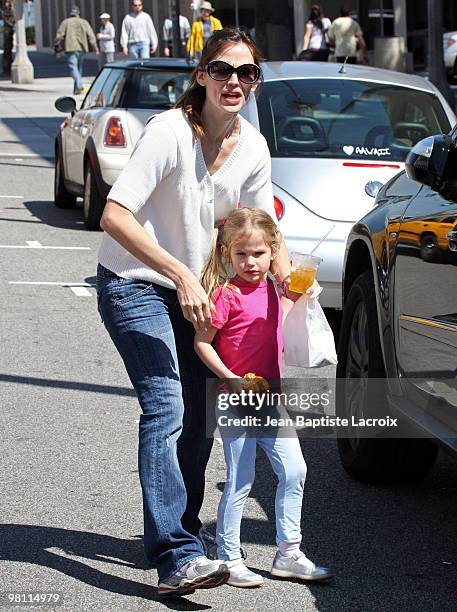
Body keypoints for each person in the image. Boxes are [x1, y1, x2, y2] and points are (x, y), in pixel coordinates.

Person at [96, 26, 294, 597]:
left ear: (255, 83)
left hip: (198, 293)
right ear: (202, 74)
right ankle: (177, 555)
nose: (235, 82)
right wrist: (181, 272)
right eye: (223, 70)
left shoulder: (253, 146)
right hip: (134, 282)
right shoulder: (169, 132)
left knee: (198, 415)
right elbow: (115, 215)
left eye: (247, 73)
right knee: (166, 405)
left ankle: (178, 538)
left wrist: (288, 279)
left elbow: (256, 230)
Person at [194, 207, 332, 588]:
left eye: (258, 253)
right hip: (235, 397)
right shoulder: (225, 295)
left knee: (295, 470)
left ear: (274, 252)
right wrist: (230, 378)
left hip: (270, 399)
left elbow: (286, 318)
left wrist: (303, 295)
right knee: (241, 479)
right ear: (227, 254)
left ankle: (288, 552)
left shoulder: (274, 290)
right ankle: (229, 555)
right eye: (242, 254)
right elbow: (201, 343)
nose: (250, 262)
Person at [53, 5, 98, 95]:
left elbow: (59, 35)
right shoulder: (84, 22)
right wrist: (95, 48)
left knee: (72, 67)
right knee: (78, 68)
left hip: (71, 48)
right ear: (78, 13)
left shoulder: (65, 22)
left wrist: (56, 45)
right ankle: (76, 89)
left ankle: (79, 85)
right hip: (82, 49)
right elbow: (91, 36)